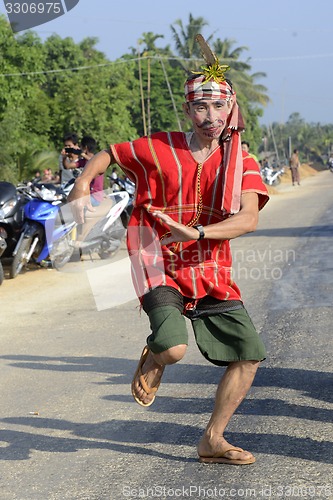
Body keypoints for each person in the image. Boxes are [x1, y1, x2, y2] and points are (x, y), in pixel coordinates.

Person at [68, 36, 269, 466]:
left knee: (248, 353)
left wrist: (196, 235)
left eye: (218, 107)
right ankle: (158, 352)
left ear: (230, 109)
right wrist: (84, 183)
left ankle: (212, 438)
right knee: (175, 348)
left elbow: (248, 219)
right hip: (154, 255)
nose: (209, 116)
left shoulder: (242, 161)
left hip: (210, 266)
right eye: (200, 107)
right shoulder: (160, 147)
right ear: (188, 110)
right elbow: (110, 153)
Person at [79, 136, 104, 206]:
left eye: (81, 147)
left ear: (85, 148)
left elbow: (92, 161)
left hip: (95, 197)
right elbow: (68, 166)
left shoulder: (97, 160)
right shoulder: (83, 161)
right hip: (86, 195)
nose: (80, 149)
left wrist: (83, 155)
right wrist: (65, 157)